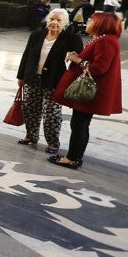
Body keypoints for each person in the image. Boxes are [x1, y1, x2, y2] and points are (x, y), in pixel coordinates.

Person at [50, 12, 123, 169]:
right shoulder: (104, 39)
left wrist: (77, 59)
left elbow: (98, 68)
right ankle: (75, 157)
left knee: (79, 124)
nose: (88, 22)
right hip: (92, 91)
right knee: (81, 124)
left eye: (92, 20)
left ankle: (72, 158)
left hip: (90, 92)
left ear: (101, 24)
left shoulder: (106, 41)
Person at [15, 8, 82, 154]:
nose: (54, 22)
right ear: (47, 20)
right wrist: (21, 76)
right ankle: (31, 135)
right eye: (52, 19)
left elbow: (78, 61)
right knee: (29, 108)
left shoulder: (71, 38)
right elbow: (26, 56)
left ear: (65, 23)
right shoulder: (37, 35)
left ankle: (53, 142)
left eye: (59, 20)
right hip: (32, 78)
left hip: (55, 81)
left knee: (52, 114)